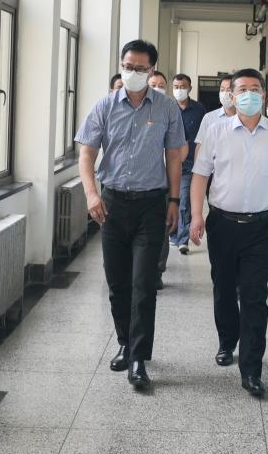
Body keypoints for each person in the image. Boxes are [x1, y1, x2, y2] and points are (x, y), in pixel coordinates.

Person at [75, 40, 187, 390]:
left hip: (151, 205)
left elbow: (174, 157)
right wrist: (91, 194)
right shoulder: (105, 106)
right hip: (112, 204)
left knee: (143, 283)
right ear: (121, 66)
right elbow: (86, 154)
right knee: (117, 282)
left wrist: (174, 201)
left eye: (140, 68)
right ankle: (124, 341)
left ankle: (139, 357)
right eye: (128, 66)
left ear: (152, 70)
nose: (133, 72)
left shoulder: (167, 107)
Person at [190, 68, 268, 398]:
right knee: (224, 287)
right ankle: (227, 341)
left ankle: (252, 369)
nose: (249, 94)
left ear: (264, 95)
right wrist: (196, 216)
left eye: (255, 89)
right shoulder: (216, 131)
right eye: (242, 89)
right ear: (232, 95)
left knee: (254, 295)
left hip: (264, 226)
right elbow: (200, 175)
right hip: (223, 224)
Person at [168, 74, 206, 256]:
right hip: (167, 164)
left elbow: (203, 137)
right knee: (170, 200)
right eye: (176, 86)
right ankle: (173, 233)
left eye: (183, 86)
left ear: (190, 88)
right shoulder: (167, 107)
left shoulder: (199, 110)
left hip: (188, 165)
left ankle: (182, 240)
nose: (179, 90)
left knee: (184, 201)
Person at [195, 74, 236, 156]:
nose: (225, 93)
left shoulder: (245, 118)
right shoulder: (209, 118)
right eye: (222, 90)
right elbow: (200, 146)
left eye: (229, 90)